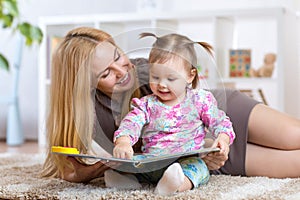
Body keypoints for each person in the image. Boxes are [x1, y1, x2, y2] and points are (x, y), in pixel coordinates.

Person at [41, 27, 300, 185]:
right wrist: (100, 168)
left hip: (220, 111)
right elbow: (69, 172)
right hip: (203, 152)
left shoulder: (146, 68)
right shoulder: (89, 116)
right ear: (84, 85)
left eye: (118, 56)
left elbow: (185, 65)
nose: (122, 70)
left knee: (294, 135)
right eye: (106, 73)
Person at [111, 32, 235, 195]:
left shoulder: (200, 100)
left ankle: (175, 184)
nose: (162, 84)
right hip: (153, 162)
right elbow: (130, 124)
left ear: (190, 76)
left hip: (186, 162)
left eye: (171, 78)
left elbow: (221, 123)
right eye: (155, 76)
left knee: (199, 168)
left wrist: (222, 139)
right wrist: (123, 142)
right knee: (130, 162)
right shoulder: (147, 104)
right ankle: (124, 180)